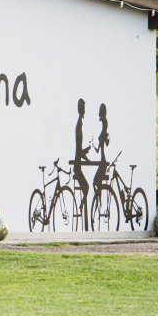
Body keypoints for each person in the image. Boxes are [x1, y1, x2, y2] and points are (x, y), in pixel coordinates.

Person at [73, 99, 91, 231]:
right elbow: (78, 148)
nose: (84, 110)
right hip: (77, 165)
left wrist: (85, 152)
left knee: (86, 188)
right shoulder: (79, 123)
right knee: (86, 187)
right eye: (82, 107)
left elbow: (79, 148)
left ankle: (82, 207)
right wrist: (84, 154)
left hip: (78, 162)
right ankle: (81, 208)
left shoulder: (80, 122)